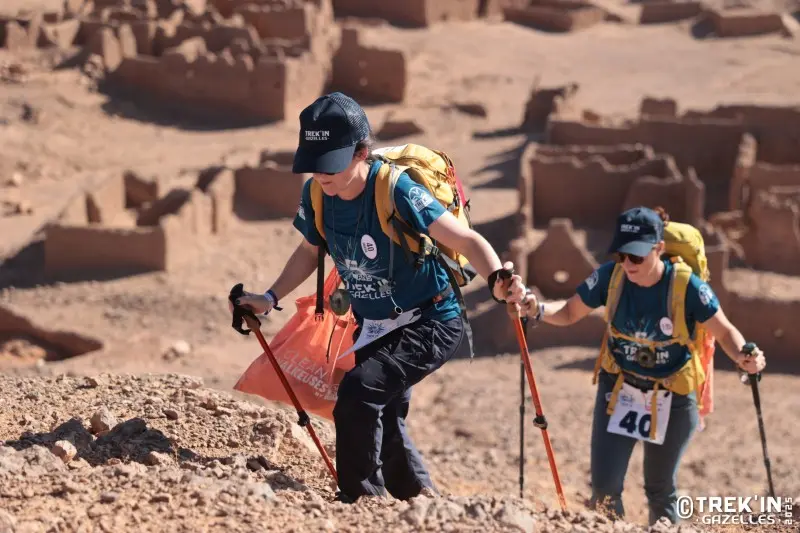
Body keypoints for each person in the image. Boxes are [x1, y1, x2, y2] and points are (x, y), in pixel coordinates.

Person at [231, 91, 528, 503]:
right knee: (384, 412)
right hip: (373, 326)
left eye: (331, 165)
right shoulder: (318, 195)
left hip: (431, 320)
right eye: (315, 166)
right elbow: (309, 251)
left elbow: (464, 238)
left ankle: (363, 503)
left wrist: (497, 277)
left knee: (358, 393)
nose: (322, 176)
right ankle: (420, 501)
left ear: (361, 152)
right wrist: (268, 296)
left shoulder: (395, 190)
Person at [520, 206, 767, 525]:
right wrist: (537, 309)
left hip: (674, 396)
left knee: (660, 489)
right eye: (623, 255)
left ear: (658, 249)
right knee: (604, 491)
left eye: (637, 257)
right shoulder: (611, 278)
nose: (628, 264)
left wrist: (746, 356)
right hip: (620, 390)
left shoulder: (686, 286)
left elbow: (725, 331)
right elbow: (569, 312)